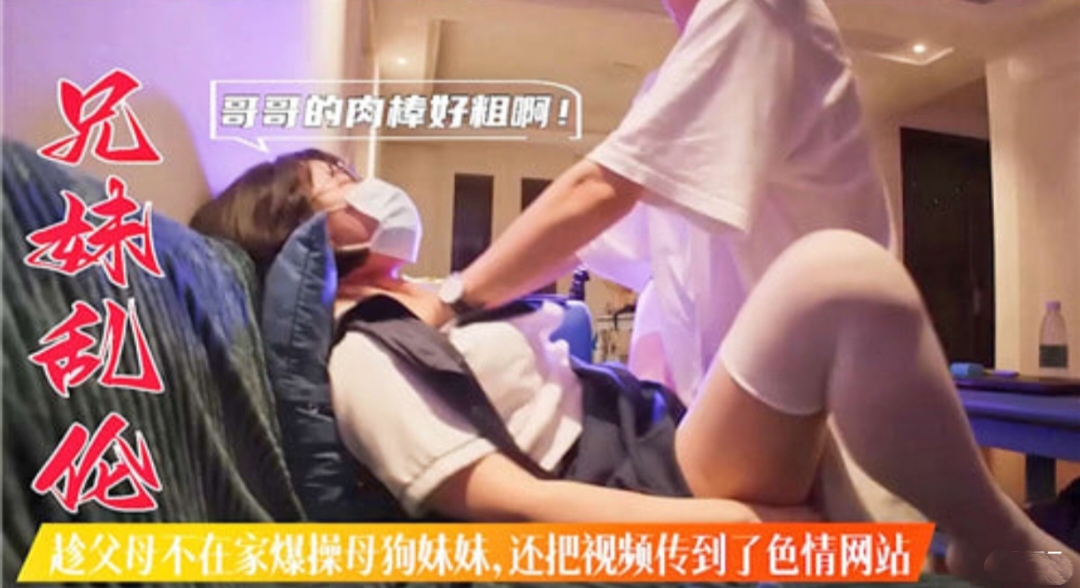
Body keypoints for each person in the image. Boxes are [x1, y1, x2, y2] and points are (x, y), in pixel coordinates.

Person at [192, 149, 1079, 588]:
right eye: (339, 179)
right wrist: (743, 527)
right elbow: (515, 507)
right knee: (834, 276)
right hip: (646, 485)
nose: (367, 184)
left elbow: (568, 241)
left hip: (662, 435)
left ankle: (980, 546)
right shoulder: (363, 357)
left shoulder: (437, 295)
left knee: (845, 376)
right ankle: (1004, 545)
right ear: (301, 229)